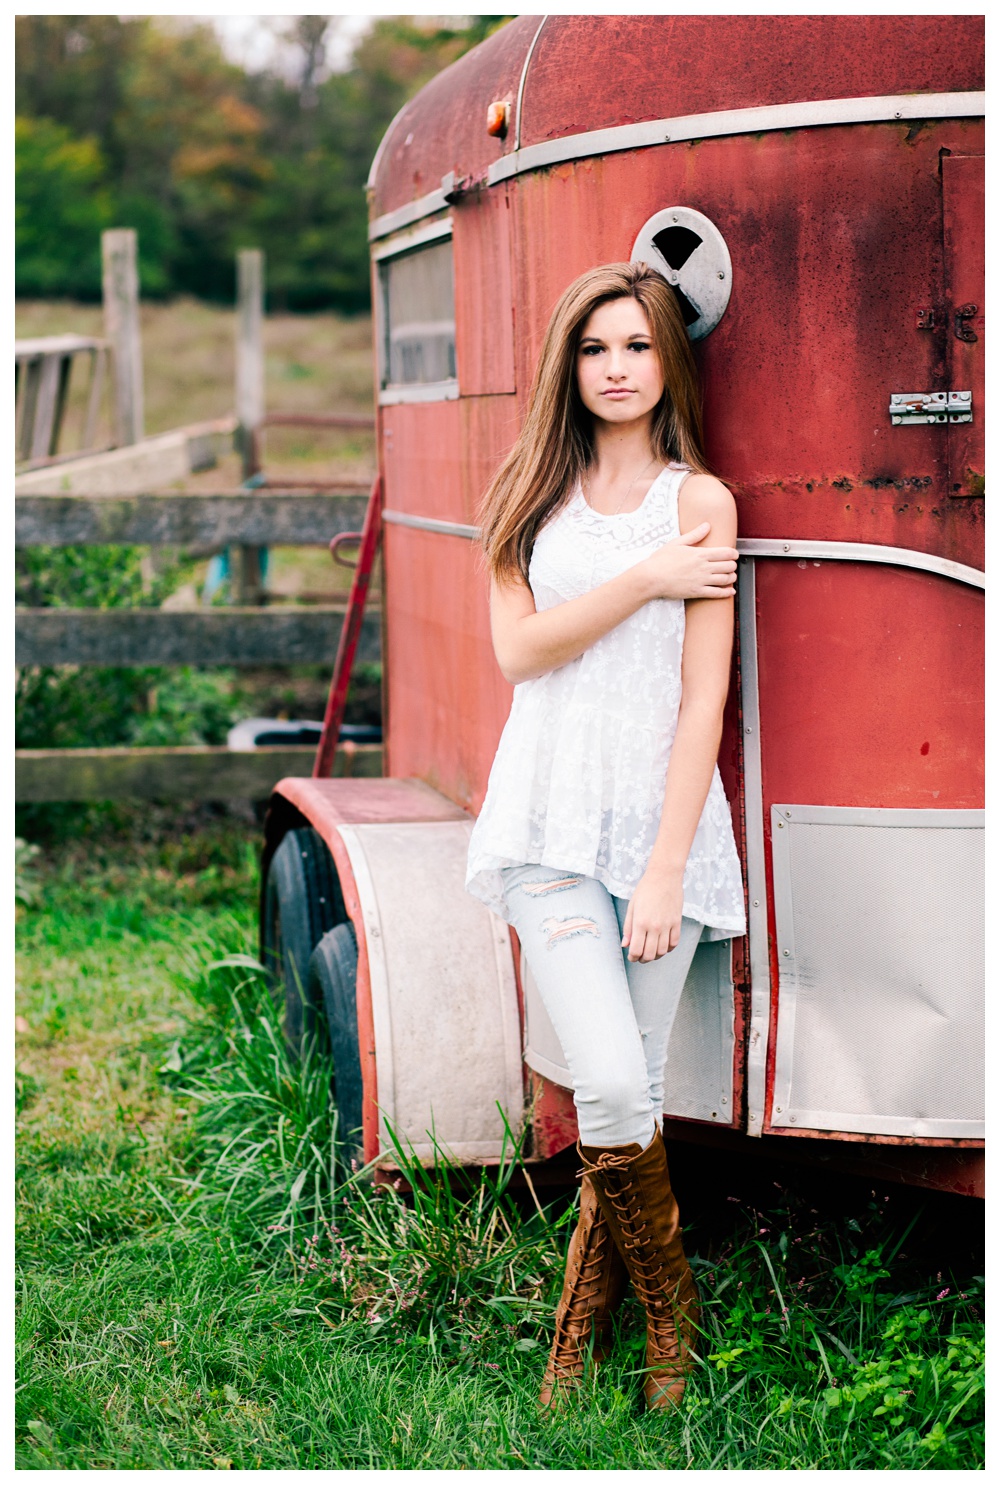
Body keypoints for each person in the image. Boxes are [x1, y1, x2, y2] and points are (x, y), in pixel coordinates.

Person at [465, 262, 747, 1412]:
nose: (617, 368)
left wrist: (667, 868)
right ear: (567, 367)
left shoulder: (702, 504)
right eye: (595, 349)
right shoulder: (528, 496)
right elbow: (521, 655)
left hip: (660, 834)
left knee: (627, 1103)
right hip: (544, 823)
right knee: (615, 1093)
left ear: (665, 363)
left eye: (636, 347)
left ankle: (572, 1353)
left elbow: (701, 701)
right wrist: (643, 580)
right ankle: (674, 1331)